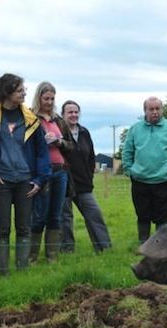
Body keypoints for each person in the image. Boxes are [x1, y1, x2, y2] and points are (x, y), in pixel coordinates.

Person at [0, 73, 50, 276]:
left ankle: (22, 271)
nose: (25, 93)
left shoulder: (31, 119)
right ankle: (3, 273)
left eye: (23, 89)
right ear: (7, 92)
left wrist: (39, 179)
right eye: (19, 90)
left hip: (26, 180)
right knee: (2, 229)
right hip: (1, 181)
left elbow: (42, 152)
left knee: (24, 227)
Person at [122, 96, 167, 244]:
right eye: (151, 109)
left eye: (158, 108)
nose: (155, 112)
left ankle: (160, 245)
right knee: (142, 215)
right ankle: (143, 244)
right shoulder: (135, 129)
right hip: (139, 180)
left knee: (163, 217)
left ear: (162, 110)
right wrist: (129, 169)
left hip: (163, 180)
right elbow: (128, 151)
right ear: (145, 111)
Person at [28, 82, 73, 263]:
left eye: (52, 98)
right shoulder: (31, 118)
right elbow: (26, 146)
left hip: (61, 171)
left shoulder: (58, 120)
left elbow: (70, 145)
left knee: (56, 215)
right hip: (43, 171)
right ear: (39, 98)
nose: (49, 102)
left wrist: (59, 142)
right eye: (46, 98)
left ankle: (51, 257)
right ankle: (31, 257)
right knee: (40, 215)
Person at [59, 100, 112, 253]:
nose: (74, 115)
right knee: (65, 218)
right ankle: (67, 250)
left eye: (76, 112)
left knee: (94, 214)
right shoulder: (59, 133)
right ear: (63, 115)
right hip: (64, 183)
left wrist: (89, 176)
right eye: (70, 112)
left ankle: (104, 248)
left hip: (83, 184)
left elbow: (90, 157)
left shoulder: (84, 132)